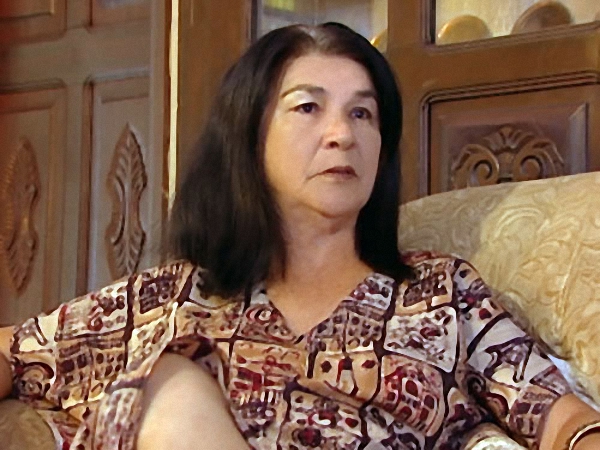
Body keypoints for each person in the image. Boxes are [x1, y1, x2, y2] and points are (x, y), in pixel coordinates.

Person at [0, 22, 599, 450]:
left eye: (363, 113)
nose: (342, 134)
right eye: (308, 108)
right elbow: (15, 351)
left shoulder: (442, 294)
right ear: (249, 136)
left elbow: (558, 415)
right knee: (169, 383)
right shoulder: (171, 298)